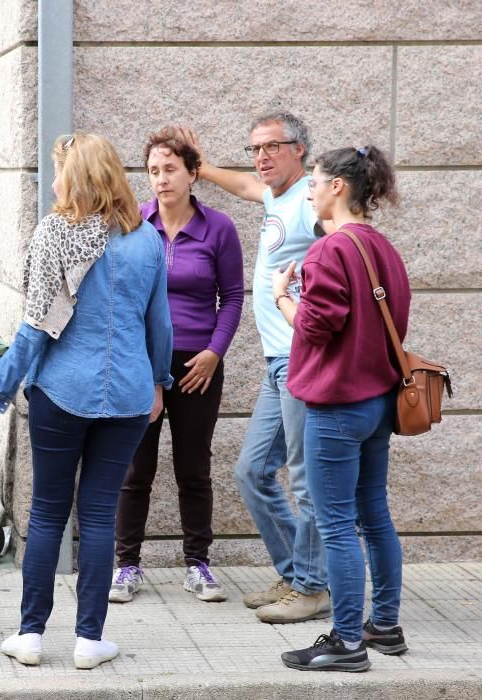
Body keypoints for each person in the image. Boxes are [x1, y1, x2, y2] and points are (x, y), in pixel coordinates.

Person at [0, 132, 173, 669]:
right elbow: (160, 327)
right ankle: (88, 641)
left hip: (61, 393)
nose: (52, 183)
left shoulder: (57, 233)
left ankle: (30, 635)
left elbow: (35, 329)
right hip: (127, 396)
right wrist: (157, 384)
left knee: (49, 514)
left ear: (75, 177)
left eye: (58, 171)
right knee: (99, 516)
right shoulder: (146, 238)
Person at [181, 113, 330, 624]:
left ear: (300, 150)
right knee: (252, 472)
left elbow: (349, 238)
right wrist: (200, 168)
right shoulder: (274, 194)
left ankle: (313, 587)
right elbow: (244, 183)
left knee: (305, 479)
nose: (261, 156)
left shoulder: (313, 199)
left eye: (271, 147)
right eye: (255, 148)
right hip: (277, 364)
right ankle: (295, 573)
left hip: (302, 358)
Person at [274, 146, 409, 671]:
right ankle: (386, 627)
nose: (308, 190)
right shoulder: (382, 247)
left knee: (335, 525)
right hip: (378, 403)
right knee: (374, 515)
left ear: (338, 188)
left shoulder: (330, 250)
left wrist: (283, 295)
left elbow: (313, 329)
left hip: (336, 407)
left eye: (313, 181)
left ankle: (348, 642)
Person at [110, 127, 244, 605]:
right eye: (153, 171)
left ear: (191, 173)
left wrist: (215, 352)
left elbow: (231, 298)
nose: (161, 179)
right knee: (135, 466)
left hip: (197, 365)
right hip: (141, 363)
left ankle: (198, 565)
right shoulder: (133, 224)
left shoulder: (219, 229)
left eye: (170, 169)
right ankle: (126, 566)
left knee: (193, 466)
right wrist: (140, 365)